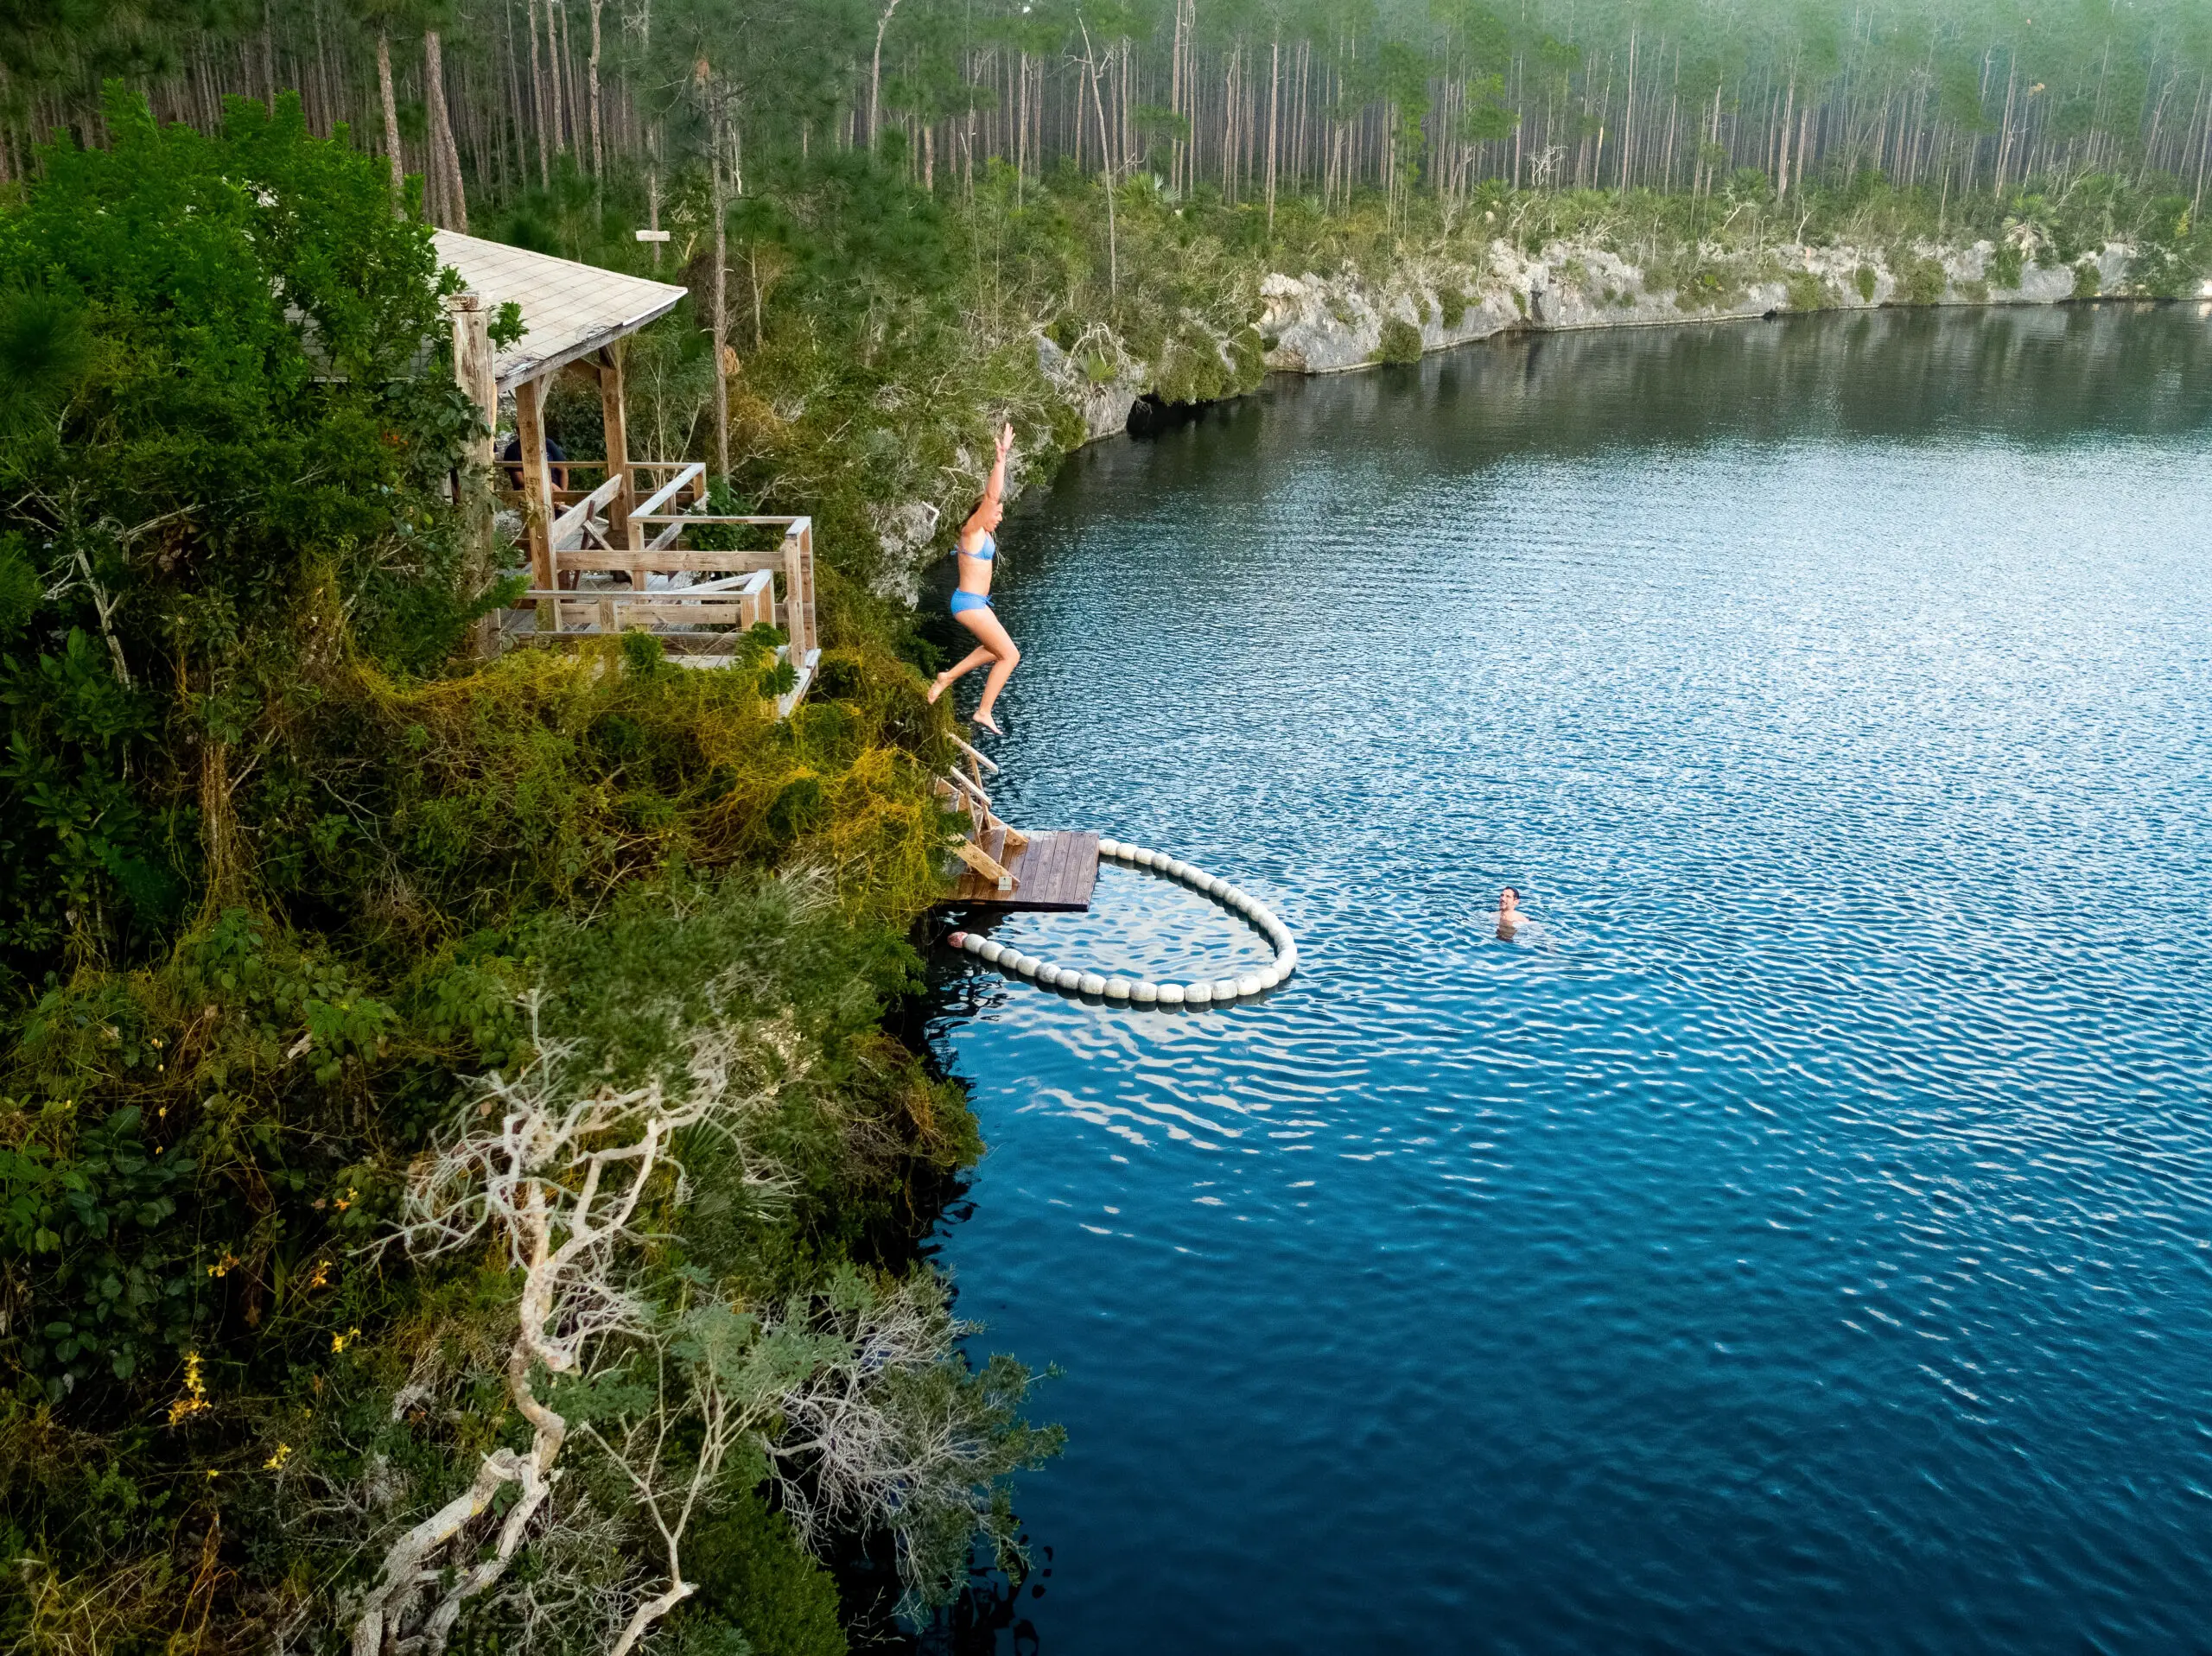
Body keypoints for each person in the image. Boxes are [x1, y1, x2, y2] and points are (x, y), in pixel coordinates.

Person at [927, 422, 1021, 735]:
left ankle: (947, 677)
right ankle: (983, 711)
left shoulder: (983, 535)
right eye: (997, 513)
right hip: (968, 603)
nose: (1000, 516)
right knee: (1010, 655)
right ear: (981, 513)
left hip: (977, 602)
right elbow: (992, 496)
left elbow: (993, 501)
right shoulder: (971, 532)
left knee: (996, 651)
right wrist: (1001, 458)